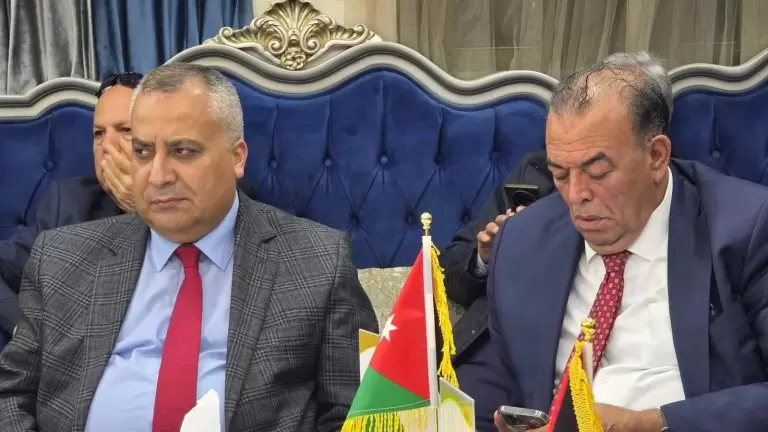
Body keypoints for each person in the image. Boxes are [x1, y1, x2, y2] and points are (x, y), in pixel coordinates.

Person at [0, 63, 378, 432]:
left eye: (183, 151)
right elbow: (11, 395)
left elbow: (358, 414)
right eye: (143, 152)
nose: (158, 176)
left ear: (237, 157)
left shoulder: (318, 262)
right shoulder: (62, 257)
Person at [489, 52, 768, 432]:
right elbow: (499, 385)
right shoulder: (522, 241)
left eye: (597, 172)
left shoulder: (746, 228)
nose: (576, 195)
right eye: (560, 174)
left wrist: (650, 423)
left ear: (656, 156)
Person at [0, 72, 143, 341]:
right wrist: (23, 327)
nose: (107, 146)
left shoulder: (196, 203)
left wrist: (145, 211)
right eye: (99, 134)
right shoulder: (68, 202)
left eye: (125, 130)